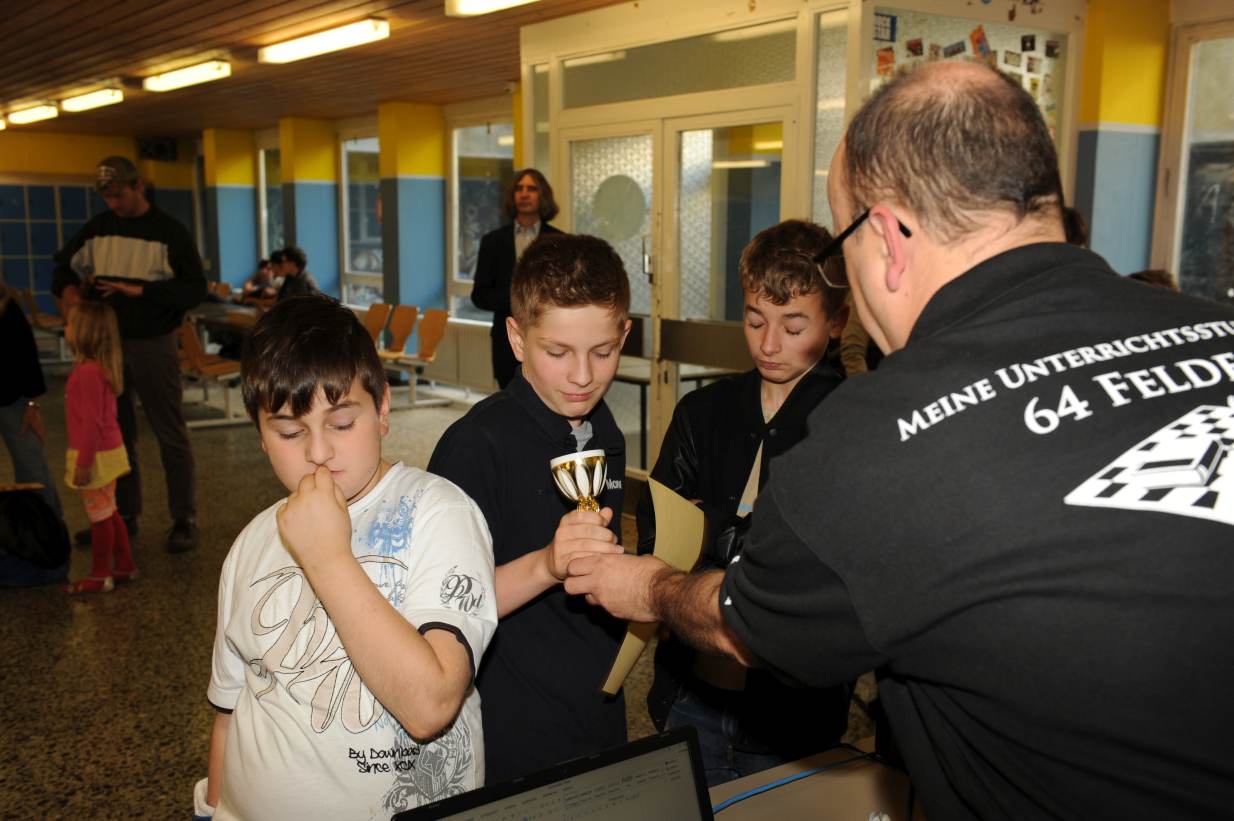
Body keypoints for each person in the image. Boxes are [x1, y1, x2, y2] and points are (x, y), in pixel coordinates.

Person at [566, 60, 1234, 818]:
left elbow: (748, 624)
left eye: (842, 246)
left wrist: (651, 586)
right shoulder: (1217, 331)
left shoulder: (885, 433)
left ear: (883, 237)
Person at [198, 295, 496, 820]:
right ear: (260, 435)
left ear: (382, 410)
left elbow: (430, 705)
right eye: (290, 432)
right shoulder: (250, 543)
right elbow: (231, 709)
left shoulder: (440, 514)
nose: (318, 452)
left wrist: (328, 558)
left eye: (340, 424)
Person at [638, 219, 851, 785]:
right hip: (690, 688)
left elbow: (802, 572)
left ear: (837, 321)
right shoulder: (702, 410)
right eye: (755, 321)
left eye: (793, 325)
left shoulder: (851, 424)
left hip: (789, 716)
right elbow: (656, 535)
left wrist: (710, 529)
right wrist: (738, 537)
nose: (769, 344)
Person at [428, 234, 630, 784]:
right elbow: (440, 611)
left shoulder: (604, 430)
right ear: (517, 339)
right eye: (557, 353)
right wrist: (546, 563)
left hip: (595, 702)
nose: (583, 376)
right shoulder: (475, 446)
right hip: (511, 721)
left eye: (603, 352)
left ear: (624, 335)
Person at [52, 156, 207, 553]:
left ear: (138, 186)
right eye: (106, 196)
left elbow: (194, 289)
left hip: (153, 343)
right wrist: (70, 297)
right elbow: (62, 268)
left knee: (169, 432)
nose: (113, 204)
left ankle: (184, 518)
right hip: (107, 347)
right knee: (115, 435)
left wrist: (142, 291)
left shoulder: (169, 232)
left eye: (118, 195)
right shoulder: (98, 229)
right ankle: (121, 516)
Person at [62, 301, 135, 594]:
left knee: (99, 517)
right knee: (109, 511)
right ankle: (125, 565)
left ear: (85, 332)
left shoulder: (87, 373)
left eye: (70, 323)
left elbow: (91, 424)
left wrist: (83, 463)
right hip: (106, 452)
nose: (65, 327)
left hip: (96, 456)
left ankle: (100, 574)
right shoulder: (94, 369)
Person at [470, 169, 563, 388]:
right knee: (510, 398)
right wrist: (516, 299)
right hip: (506, 341)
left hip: (550, 337)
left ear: (543, 196)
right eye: (519, 189)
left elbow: (564, 292)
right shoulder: (492, 241)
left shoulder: (560, 241)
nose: (524, 194)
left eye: (531, 189)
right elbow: (479, 296)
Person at [0, 278, 62, 519]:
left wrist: (32, 403)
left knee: (32, 469)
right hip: (13, 398)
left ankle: (48, 528)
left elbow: (27, 356)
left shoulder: (8, 308)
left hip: (13, 399)